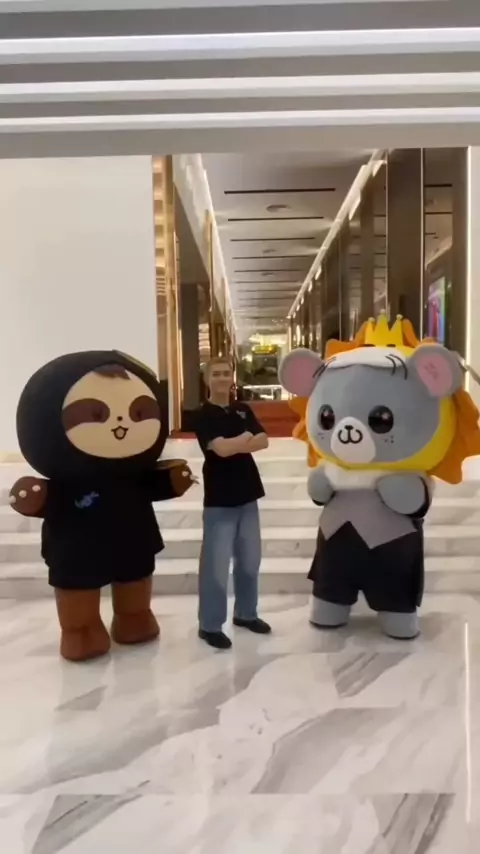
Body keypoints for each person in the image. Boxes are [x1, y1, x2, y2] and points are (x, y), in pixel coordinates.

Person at [10, 351, 195, 662]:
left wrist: (174, 480)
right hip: (77, 545)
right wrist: (35, 497)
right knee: (77, 586)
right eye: (98, 414)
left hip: (133, 539)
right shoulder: (68, 479)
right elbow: (47, 499)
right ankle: (80, 630)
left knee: (135, 580)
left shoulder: (134, 473)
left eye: (138, 413)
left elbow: (155, 485)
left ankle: (134, 617)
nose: (121, 422)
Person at [194, 357, 272, 649]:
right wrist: (245, 438)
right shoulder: (202, 415)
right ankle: (210, 625)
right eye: (216, 373)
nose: (222, 378)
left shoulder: (242, 409)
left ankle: (246, 614)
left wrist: (236, 442)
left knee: (250, 560)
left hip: (248, 494)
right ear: (207, 379)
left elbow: (264, 441)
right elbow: (222, 450)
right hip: (220, 499)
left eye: (226, 373)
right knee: (216, 566)